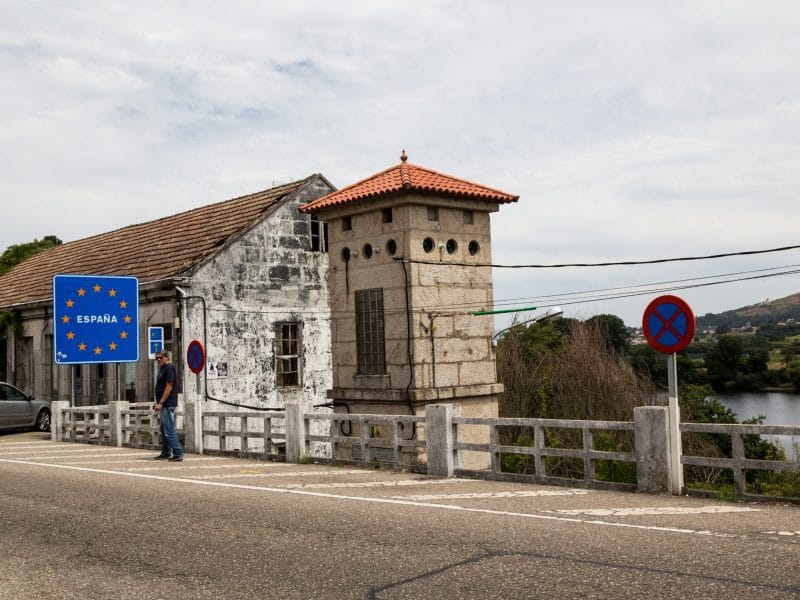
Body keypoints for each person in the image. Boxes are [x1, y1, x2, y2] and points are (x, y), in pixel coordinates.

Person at [153, 351, 184, 461]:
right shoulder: (162, 369)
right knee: (163, 429)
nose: (158, 360)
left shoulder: (169, 368)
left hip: (167, 404)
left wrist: (161, 403)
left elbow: (169, 386)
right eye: (156, 358)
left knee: (169, 429)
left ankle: (178, 452)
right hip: (163, 404)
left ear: (166, 357)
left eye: (160, 358)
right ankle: (166, 452)